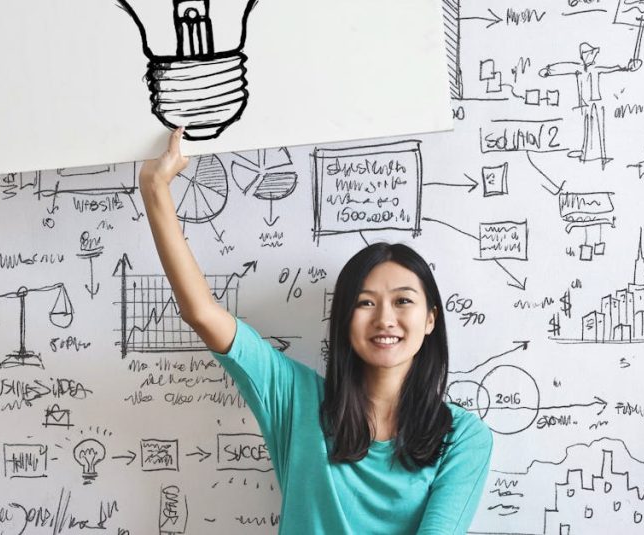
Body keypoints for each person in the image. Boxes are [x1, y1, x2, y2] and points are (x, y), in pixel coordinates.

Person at [140, 127, 492, 534]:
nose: (384, 319)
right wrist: (155, 188)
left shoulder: (463, 437)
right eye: (365, 302)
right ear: (344, 318)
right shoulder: (296, 399)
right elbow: (202, 313)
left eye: (403, 301)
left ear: (431, 319)